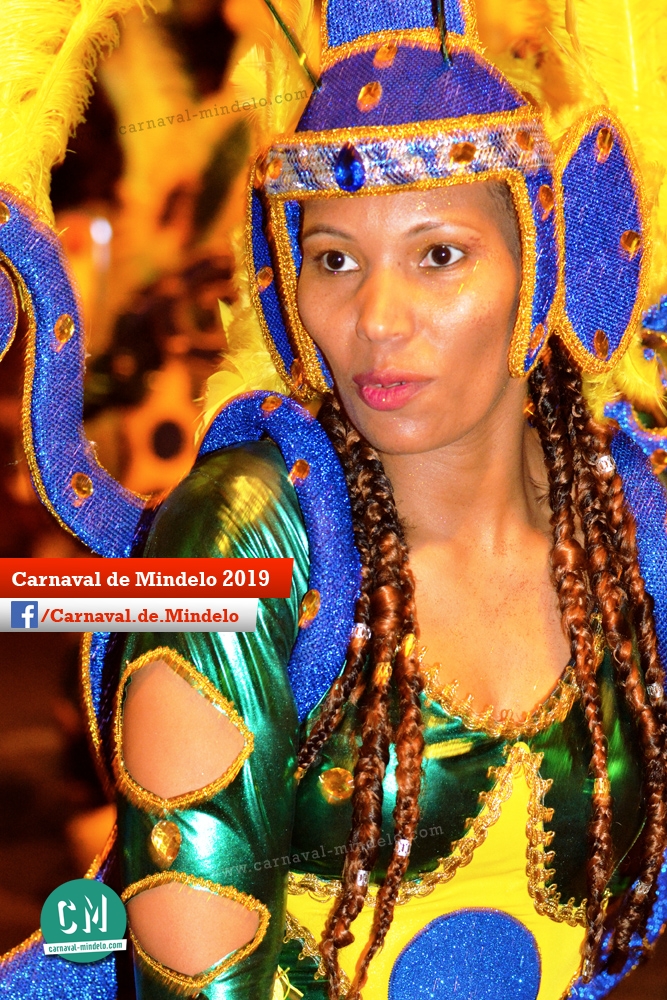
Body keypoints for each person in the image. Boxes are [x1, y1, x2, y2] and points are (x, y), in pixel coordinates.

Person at [1, 2, 667, 1000]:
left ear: (546, 267)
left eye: (437, 254)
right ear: (286, 287)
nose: (377, 318)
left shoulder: (631, 521)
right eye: (334, 258)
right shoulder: (234, 541)